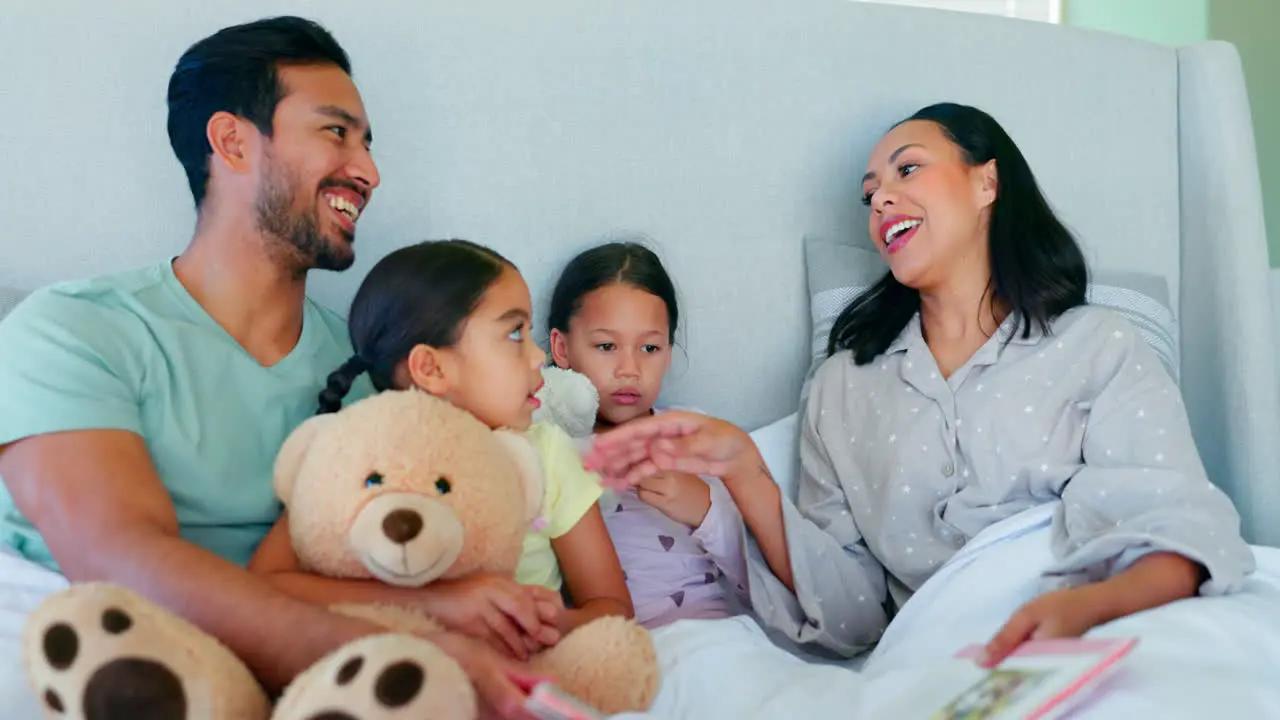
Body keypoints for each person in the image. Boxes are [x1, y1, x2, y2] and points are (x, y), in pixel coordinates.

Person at [583, 102, 1255, 667]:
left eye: (907, 170)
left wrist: (1087, 607)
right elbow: (849, 619)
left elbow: (1179, 527)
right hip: (954, 658)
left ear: (987, 183)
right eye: (870, 191)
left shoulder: (1099, 345)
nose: (880, 198)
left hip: (1123, 618)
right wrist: (746, 473)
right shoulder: (842, 387)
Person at [0, 17, 537, 718]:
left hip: (300, 660)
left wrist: (438, 613)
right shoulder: (74, 329)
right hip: (92, 641)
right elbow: (117, 558)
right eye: (336, 132)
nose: (368, 171)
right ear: (231, 142)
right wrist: (386, 654)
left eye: (367, 143)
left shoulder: (367, 376)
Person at [250, 239, 635, 659]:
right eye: (514, 333)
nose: (537, 355)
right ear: (431, 368)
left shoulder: (546, 453)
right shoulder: (361, 451)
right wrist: (438, 606)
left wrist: (547, 620)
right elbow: (265, 584)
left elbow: (613, 611)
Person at [546, 241, 750, 629]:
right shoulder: (549, 448)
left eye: (650, 348)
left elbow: (759, 584)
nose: (630, 369)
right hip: (615, 650)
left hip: (716, 636)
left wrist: (706, 510)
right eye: (606, 346)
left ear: (669, 352)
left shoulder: (695, 435)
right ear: (562, 347)